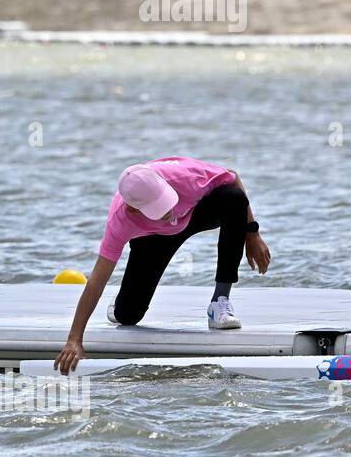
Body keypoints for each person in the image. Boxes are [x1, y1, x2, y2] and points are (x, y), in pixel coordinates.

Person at [54, 158, 271, 375]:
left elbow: (232, 177)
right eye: (158, 207)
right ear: (133, 209)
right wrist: (74, 339)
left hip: (194, 215)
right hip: (153, 239)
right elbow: (96, 281)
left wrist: (252, 233)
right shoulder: (120, 221)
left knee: (233, 198)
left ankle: (219, 301)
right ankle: (120, 303)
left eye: (165, 199)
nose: (169, 210)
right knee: (129, 316)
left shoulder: (185, 177)